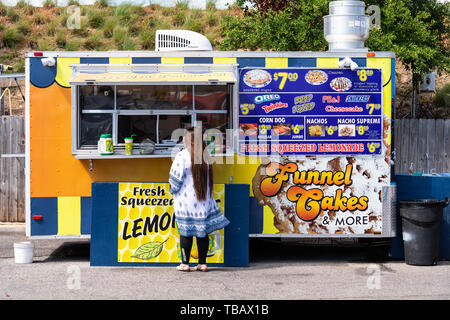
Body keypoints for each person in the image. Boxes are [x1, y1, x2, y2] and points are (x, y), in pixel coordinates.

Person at [169, 127, 230, 272]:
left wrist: (172, 191)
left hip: (185, 203)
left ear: (187, 140)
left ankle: (185, 264)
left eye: (184, 137)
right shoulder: (206, 157)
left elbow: (175, 181)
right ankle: (202, 263)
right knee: (202, 233)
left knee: (186, 233)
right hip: (203, 202)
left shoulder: (182, 156)